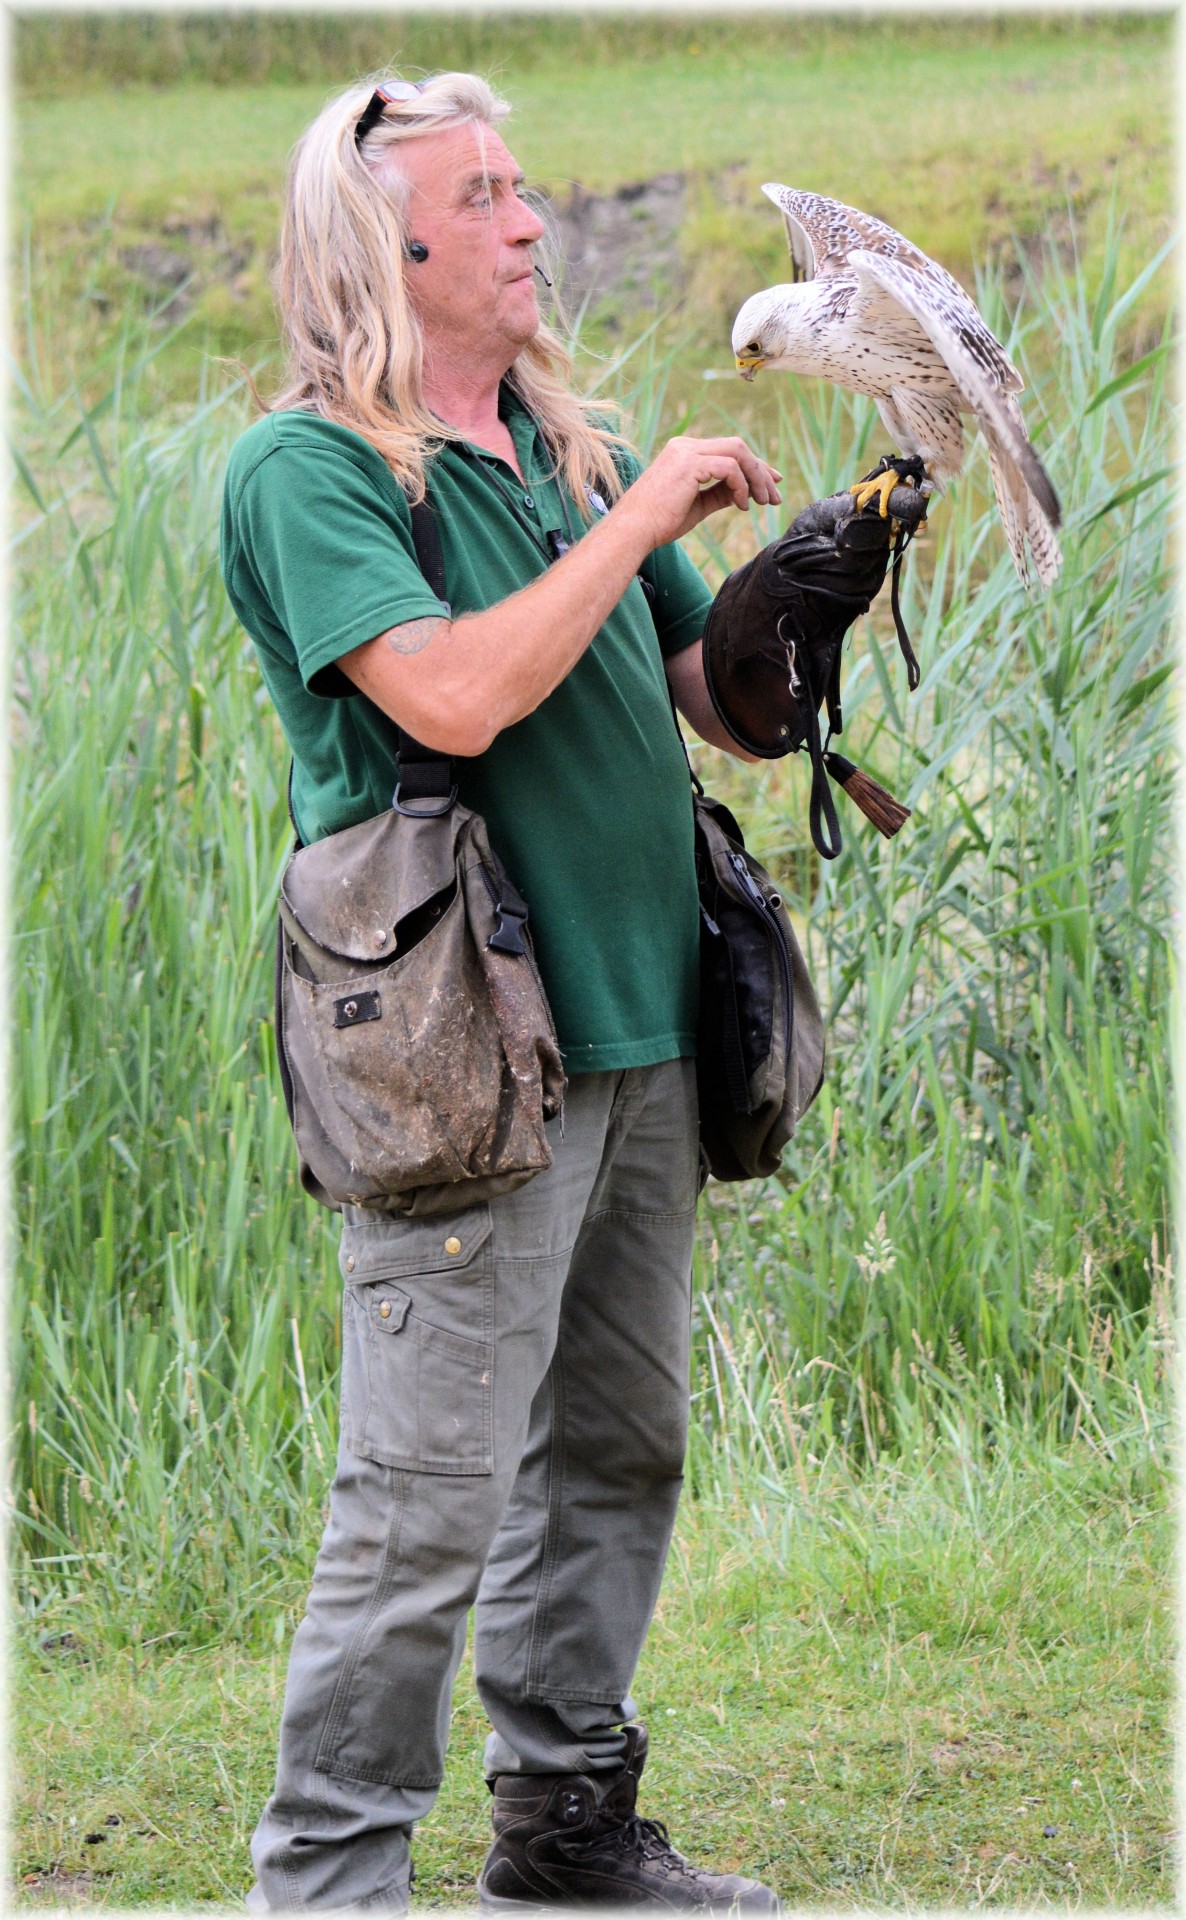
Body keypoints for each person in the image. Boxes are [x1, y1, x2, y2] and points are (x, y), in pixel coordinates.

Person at [220, 70, 783, 1913]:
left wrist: (827, 569)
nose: (536, 222)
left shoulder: (560, 443)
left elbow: (723, 703)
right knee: (423, 1502)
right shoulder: (306, 472)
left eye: (525, 187)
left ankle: (561, 1831)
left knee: (616, 1452)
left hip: (638, 1032)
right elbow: (452, 697)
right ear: (386, 243)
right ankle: (329, 1876)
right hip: (461, 1056)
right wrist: (643, 510)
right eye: (492, 194)